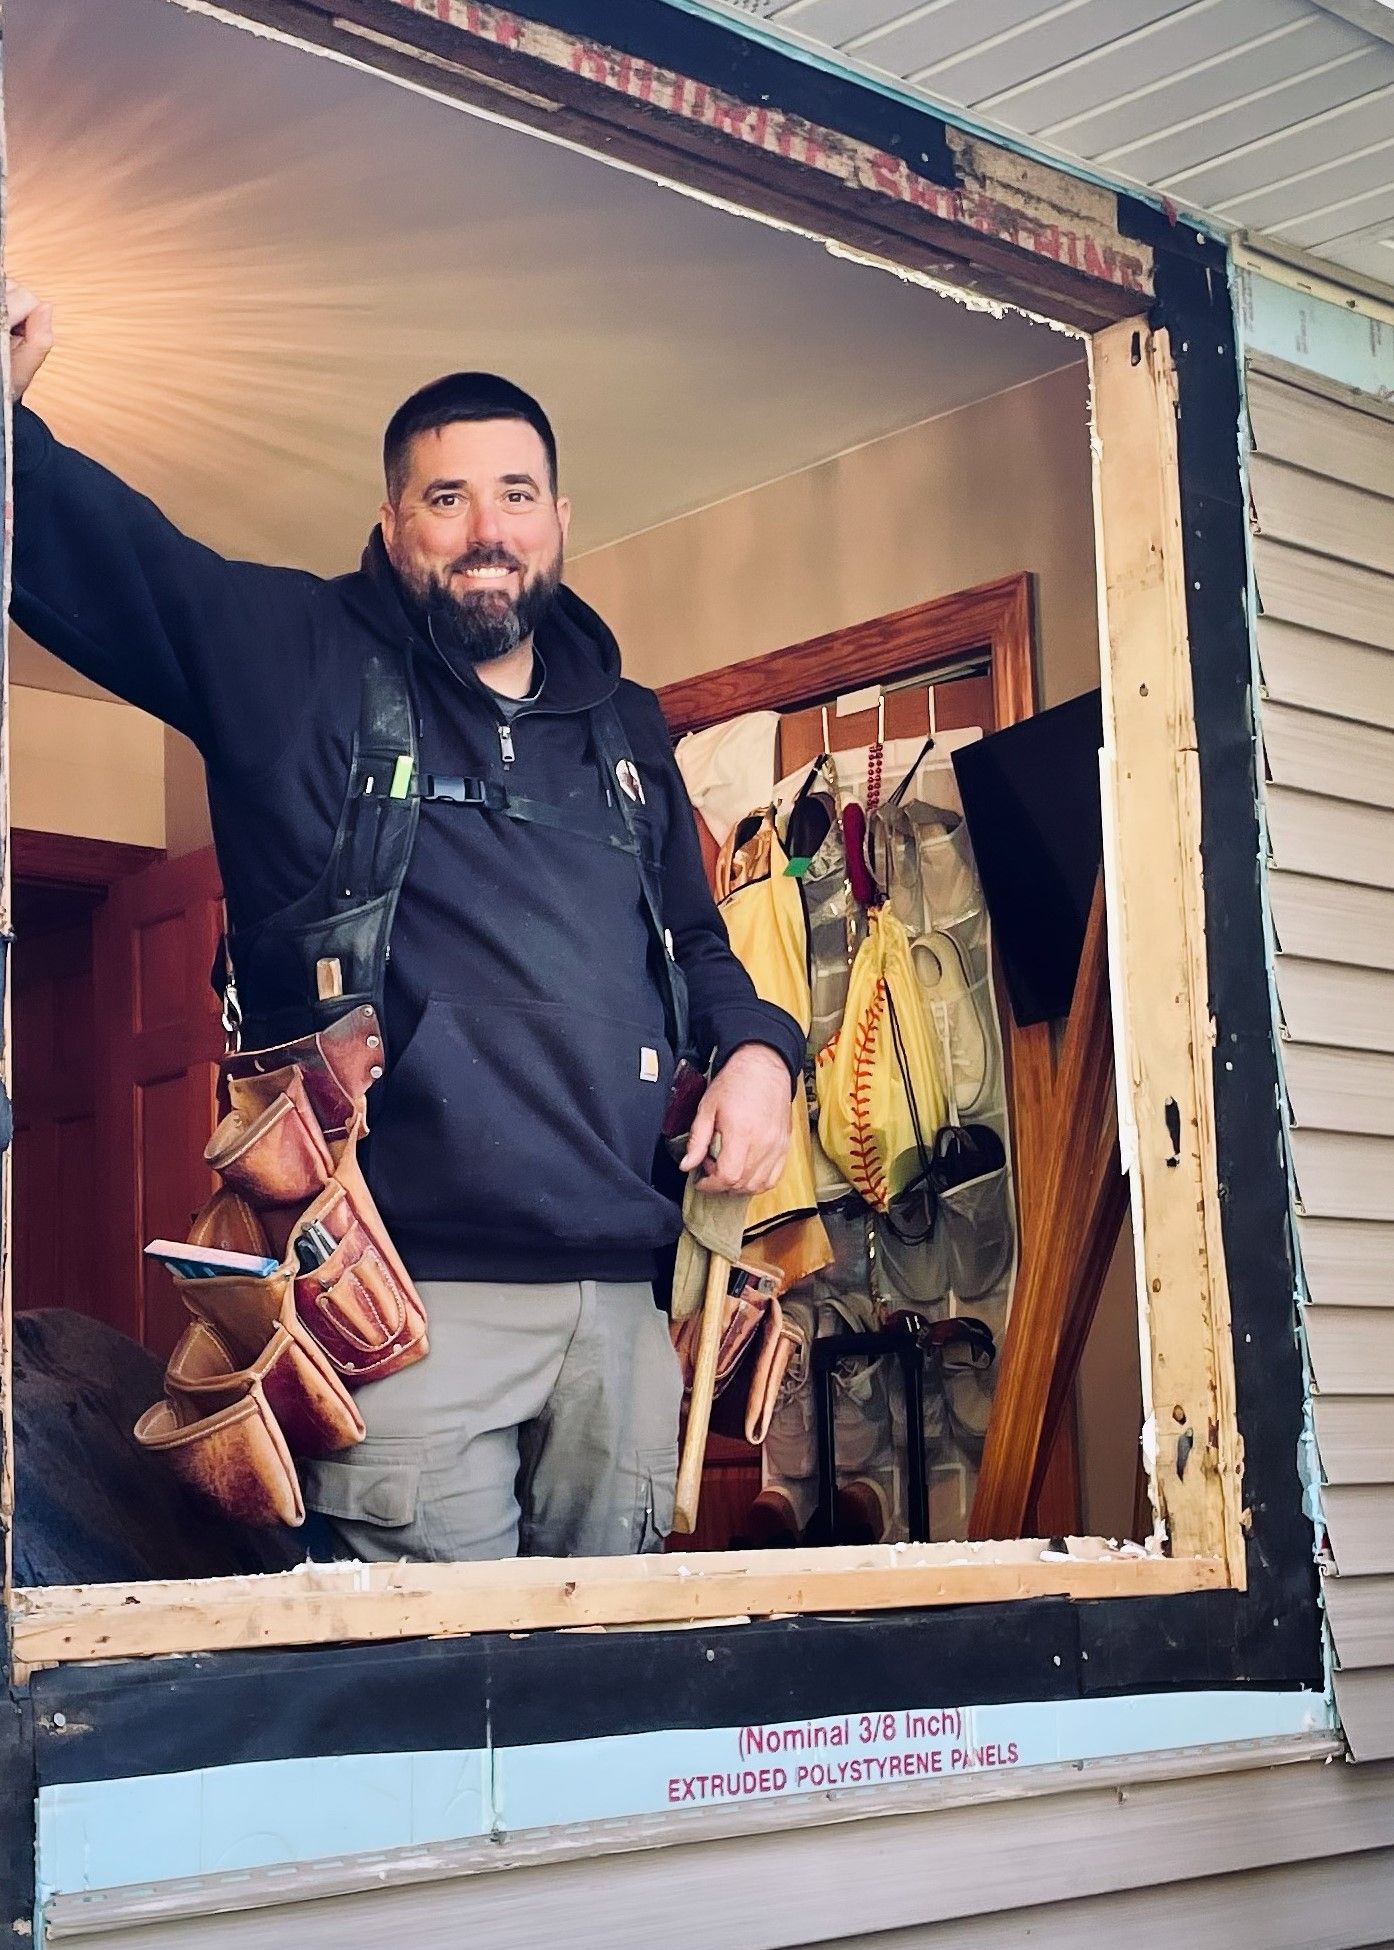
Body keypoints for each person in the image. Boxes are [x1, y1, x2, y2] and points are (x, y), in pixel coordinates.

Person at [6, 282, 802, 1563]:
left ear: (557, 521)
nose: (485, 530)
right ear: (390, 522)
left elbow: (697, 948)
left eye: (516, 495)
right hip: (397, 1310)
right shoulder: (288, 654)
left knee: (609, 1707)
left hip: (620, 1312)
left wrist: (761, 1053)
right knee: (438, 1728)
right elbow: (105, 554)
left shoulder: (629, 728)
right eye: (446, 499)